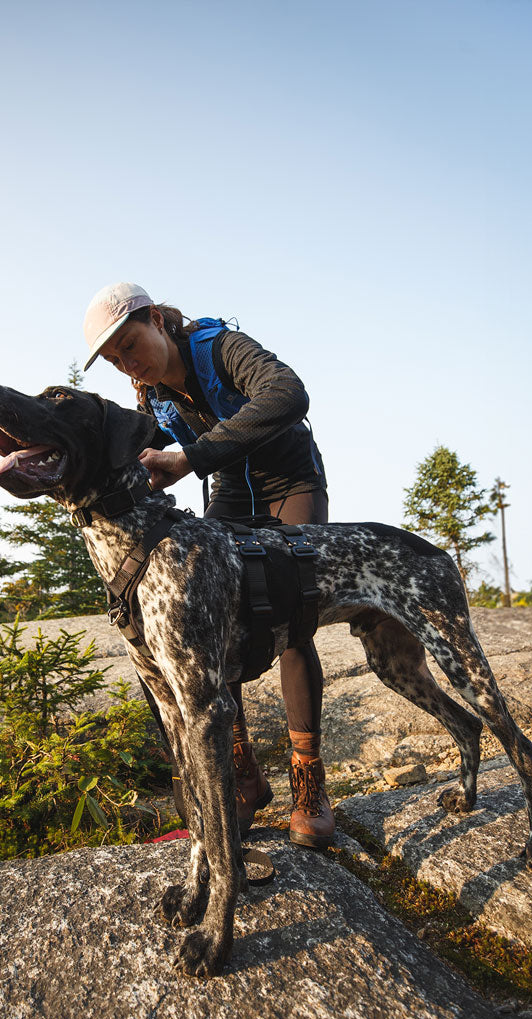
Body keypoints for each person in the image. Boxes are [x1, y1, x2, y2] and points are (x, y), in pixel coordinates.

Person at [82, 281, 334, 848]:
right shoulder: (152, 398)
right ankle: (242, 780)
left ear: (156, 320)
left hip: (290, 484)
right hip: (229, 496)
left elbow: (289, 394)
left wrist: (188, 458)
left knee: (293, 624)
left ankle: (309, 783)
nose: (129, 365)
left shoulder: (219, 347)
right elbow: (135, 449)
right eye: (115, 360)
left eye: (130, 344)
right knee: (208, 628)